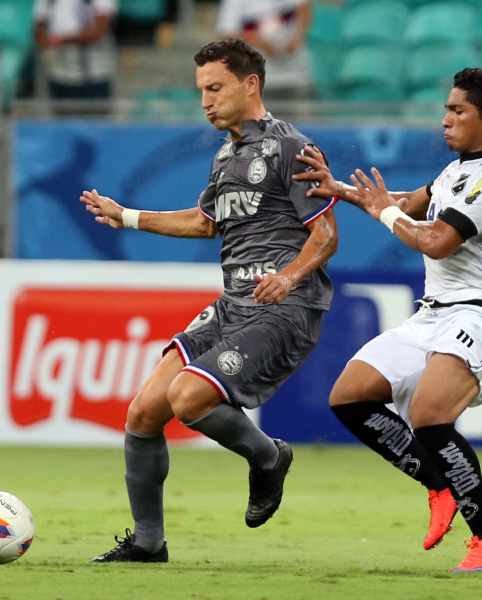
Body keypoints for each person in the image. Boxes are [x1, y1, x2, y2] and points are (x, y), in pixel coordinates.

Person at [81, 37, 338, 563]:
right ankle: (149, 543)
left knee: (189, 398)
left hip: (285, 307)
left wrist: (287, 278)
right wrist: (126, 215)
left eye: (215, 88)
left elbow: (327, 235)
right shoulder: (226, 154)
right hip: (233, 304)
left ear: (251, 85)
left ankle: (268, 459)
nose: (205, 100)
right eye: (201, 90)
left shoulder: (293, 147)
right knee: (143, 412)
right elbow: (205, 222)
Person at [295, 67, 482, 572]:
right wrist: (341, 189)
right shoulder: (455, 172)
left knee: (428, 416)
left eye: (456, 110)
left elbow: (437, 240)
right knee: (350, 396)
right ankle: (438, 484)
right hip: (434, 314)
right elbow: (402, 205)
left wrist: (383, 212)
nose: (444, 120)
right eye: (445, 109)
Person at [216, 0, 312, 99]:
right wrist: (258, 42)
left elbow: (304, 8)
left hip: (296, 70)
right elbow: (227, 34)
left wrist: (297, 37)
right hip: (261, 74)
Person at [32, 0, 117, 105]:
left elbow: (98, 32)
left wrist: (63, 39)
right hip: (59, 75)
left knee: (95, 118)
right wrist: (47, 42)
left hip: (94, 76)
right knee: (62, 119)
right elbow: (38, 29)